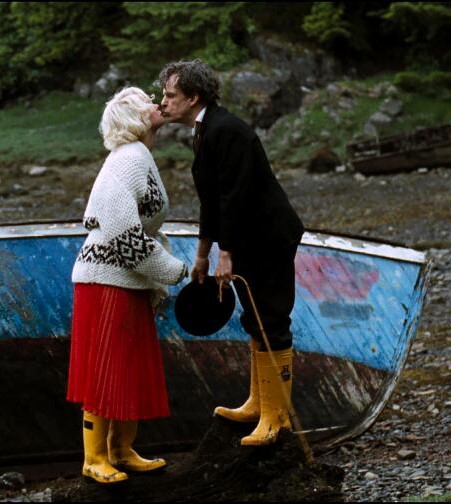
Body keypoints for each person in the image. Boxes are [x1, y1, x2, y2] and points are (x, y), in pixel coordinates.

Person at [157, 60, 305, 447]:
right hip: (247, 237)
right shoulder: (206, 130)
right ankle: (259, 403)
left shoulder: (228, 131)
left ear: (193, 96)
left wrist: (227, 254)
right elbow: (211, 199)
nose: (163, 102)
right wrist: (203, 254)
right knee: (254, 317)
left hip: (269, 236)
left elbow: (235, 197)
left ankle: (277, 419)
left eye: (170, 95)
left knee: (271, 318)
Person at [67, 87, 190, 484]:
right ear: (133, 119)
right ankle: (94, 458)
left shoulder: (137, 156)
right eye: (145, 103)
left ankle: (121, 450)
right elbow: (122, 231)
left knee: (128, 365)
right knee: (103, 366)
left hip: (123, 278)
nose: (156, 104)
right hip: (106, 279)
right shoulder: (129, 160)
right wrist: (171, 269)